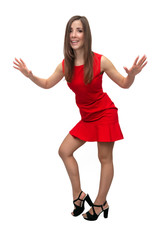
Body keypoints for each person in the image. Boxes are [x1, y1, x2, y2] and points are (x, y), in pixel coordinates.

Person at [13, 15, 147, 221]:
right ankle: (79, 195)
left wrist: (132, 75)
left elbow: (124, 83)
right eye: (71, 31)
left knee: (104, 158)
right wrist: (31, 76)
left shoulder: (100, 60)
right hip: (87, 117)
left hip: (104, 114)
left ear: (87, 35)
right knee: (64, 151)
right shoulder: (66, 64)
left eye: (79, 30)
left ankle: (101, 203)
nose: (74, 35)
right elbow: (48, 84)